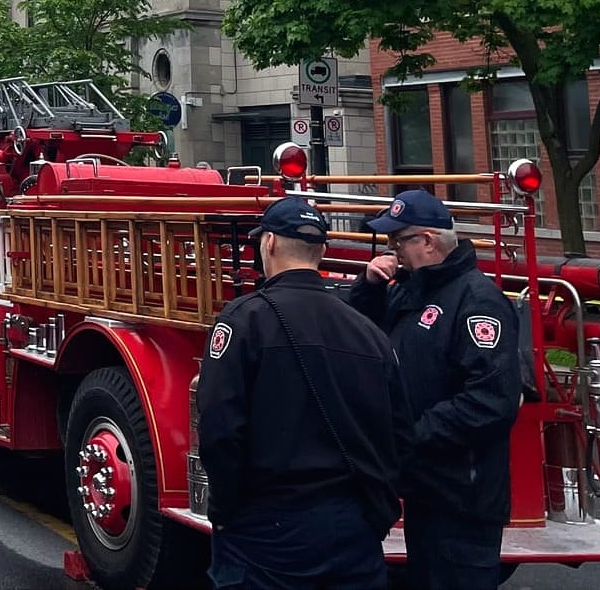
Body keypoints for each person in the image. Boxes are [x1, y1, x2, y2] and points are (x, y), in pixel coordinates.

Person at [198, 197, 407, 589]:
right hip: (351, 525)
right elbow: (398, 431)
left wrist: (223, 509)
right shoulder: (368, 332)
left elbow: (220, 427)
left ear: (270, 243)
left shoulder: (244, 321)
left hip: (266, 524)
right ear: (322, 251)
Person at [348, 188, 519, 589]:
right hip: (426, 488)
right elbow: (363, 339)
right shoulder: (413, 290)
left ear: (426, 240)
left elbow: (492, 400)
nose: (394, 251)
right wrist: (370, 288)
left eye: (399, 241)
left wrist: (413, 434)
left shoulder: (477, 301)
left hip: (463, 496)